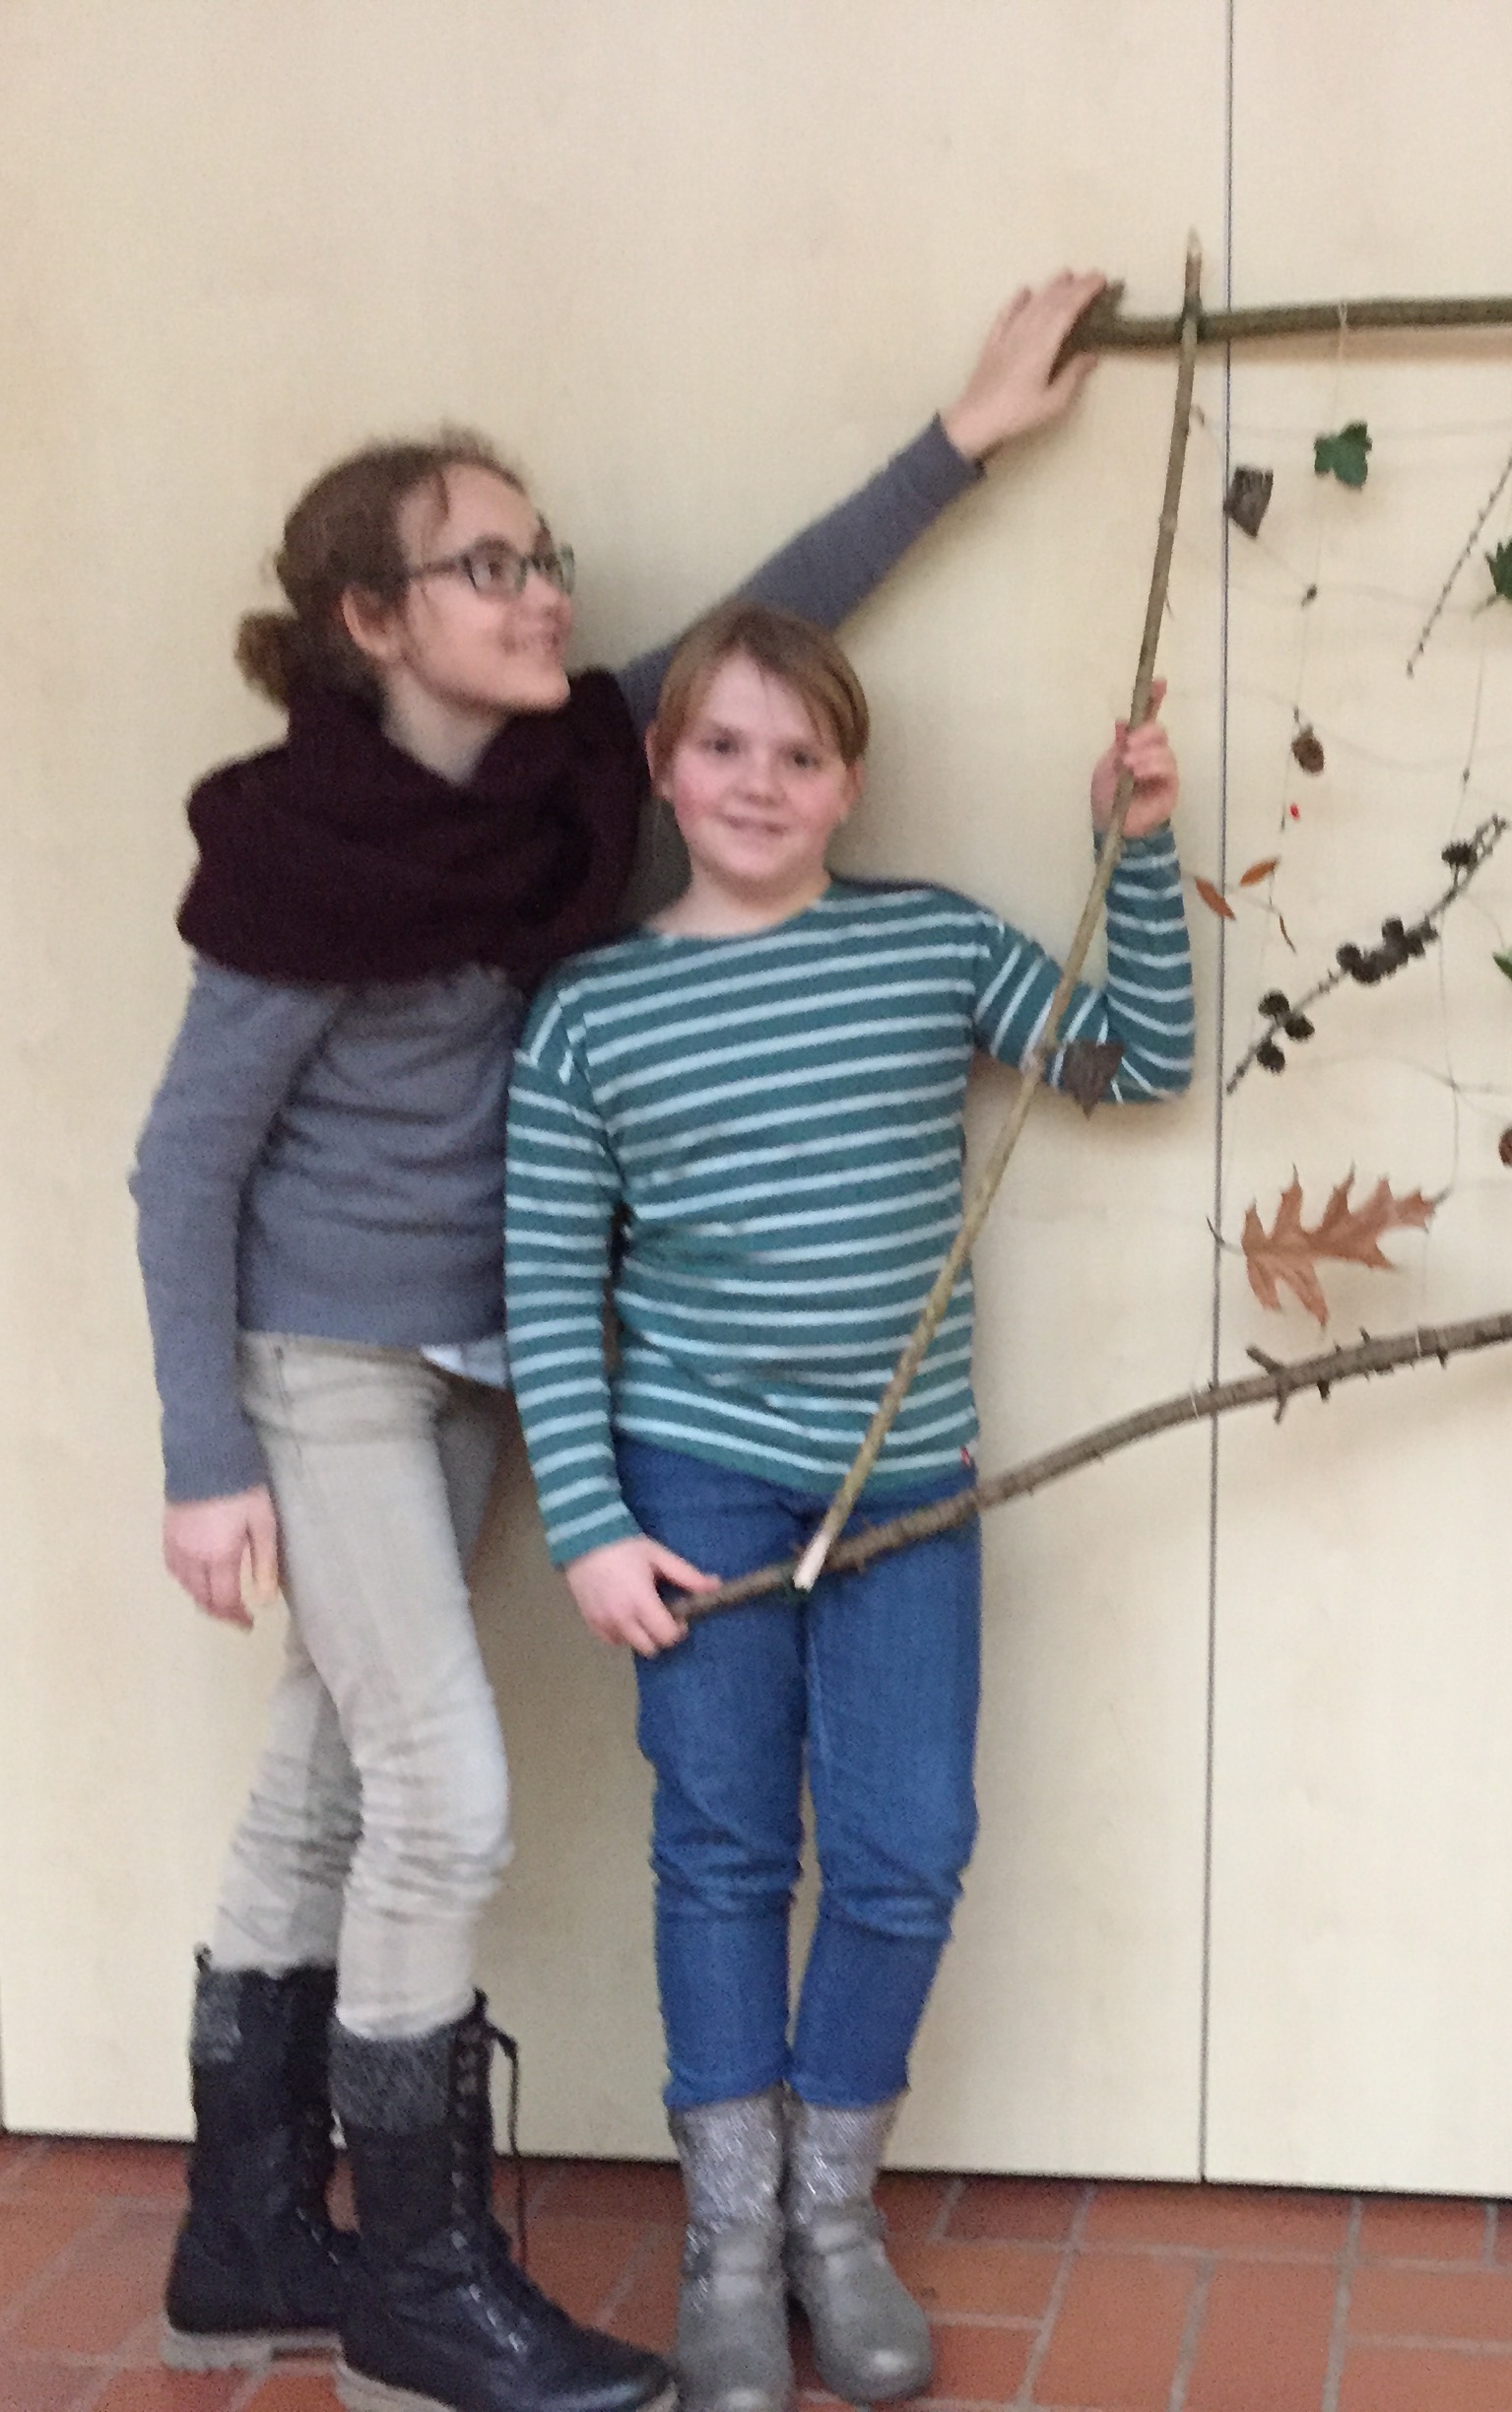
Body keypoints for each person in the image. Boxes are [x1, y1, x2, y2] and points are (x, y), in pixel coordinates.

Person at [129, 272, 1111, 2412]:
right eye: (488, 564)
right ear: (376, 619)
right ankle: (417, 2284)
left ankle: (244, 2233)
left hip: (483, 1361)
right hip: (332, 1356)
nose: (541, 587)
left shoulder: (575, 769)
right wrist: (209, 1455)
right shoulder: (302, 857)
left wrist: (962, 436)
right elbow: (185, 1166)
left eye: (543, 553)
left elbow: (786, 621)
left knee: (326, 1767)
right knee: (444, 1793)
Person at [500, 602, 1193, 2410]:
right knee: (723, 1848)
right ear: (662, 770)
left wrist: (1134, 850)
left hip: (906, 1491)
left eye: (799, 753)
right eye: (722, 746)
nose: (759, 781)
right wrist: (587, 1520)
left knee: (905, 1848)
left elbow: (1134, 1058)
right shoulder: (591, 1015)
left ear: (849, 784)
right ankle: (729, 2241)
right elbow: (547, 1287)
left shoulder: (928, 947)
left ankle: (830, 2213)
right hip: (692, 1483)